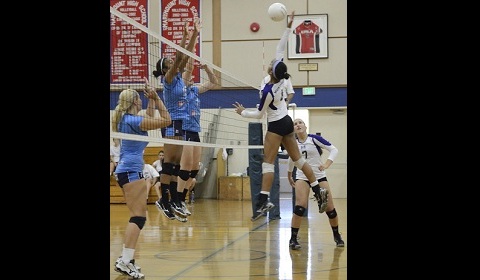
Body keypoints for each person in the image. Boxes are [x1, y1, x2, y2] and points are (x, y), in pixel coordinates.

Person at [233, 11, 328, 222]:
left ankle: (263, 199)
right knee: (298, 159)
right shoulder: (282, 78)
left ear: (272, 71)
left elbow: (259, 115)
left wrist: (242, 113)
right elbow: (281, 46)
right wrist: (288, 26)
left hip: (276, 124)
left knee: (268, 162)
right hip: (286, 121)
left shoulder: (269, 90)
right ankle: (317, 190)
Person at [111, 79, 171, 278]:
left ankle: (127, 259)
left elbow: (149, 117)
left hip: (127, 170)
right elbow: (167, 120)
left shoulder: (127, 120)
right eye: (141, 100)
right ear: (135, 102)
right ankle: (124, 261)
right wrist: (157, 98)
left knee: (138, 216)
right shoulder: (134, 121)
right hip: (130, 170)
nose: (142, 103)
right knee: (138, 216)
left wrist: (151, 102)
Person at [152, 18, 201, 222]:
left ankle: (172, 200)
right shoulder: (169, 79)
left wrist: (194, 37)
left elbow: (184, 57)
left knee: (176, 166)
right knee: (169, 163)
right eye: (170, 63)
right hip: (171, 123)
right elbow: (180, 56)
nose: (173, 62)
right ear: (165, 70)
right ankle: (164, 199)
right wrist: (184, 38)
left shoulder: (179, 77)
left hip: (181, 124)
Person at [287, 118, 345, 249]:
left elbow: (334, 149)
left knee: (330, 210)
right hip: (303, 177)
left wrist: (326, 164)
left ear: (305, 126)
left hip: (319, 177)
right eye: (295, 124)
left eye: (300, 122)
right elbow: (292, 159)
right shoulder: (293, 143)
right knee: (300, 207)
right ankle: (293, 239)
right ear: (294, 129)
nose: (298, 125)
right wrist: (289, 175)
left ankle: (337, 236)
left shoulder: (314, 139)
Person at [177, 52, 218, 215]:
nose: (192, 78)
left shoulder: (194, 90)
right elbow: (186, 74)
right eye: (188, 76)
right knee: (185, 167)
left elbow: (214, 82)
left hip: (195, 130)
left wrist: (207, 68)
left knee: (194, 170)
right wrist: (190, 57)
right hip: (184, 129)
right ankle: (177, 199)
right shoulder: (180, 90)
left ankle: (182, 200)